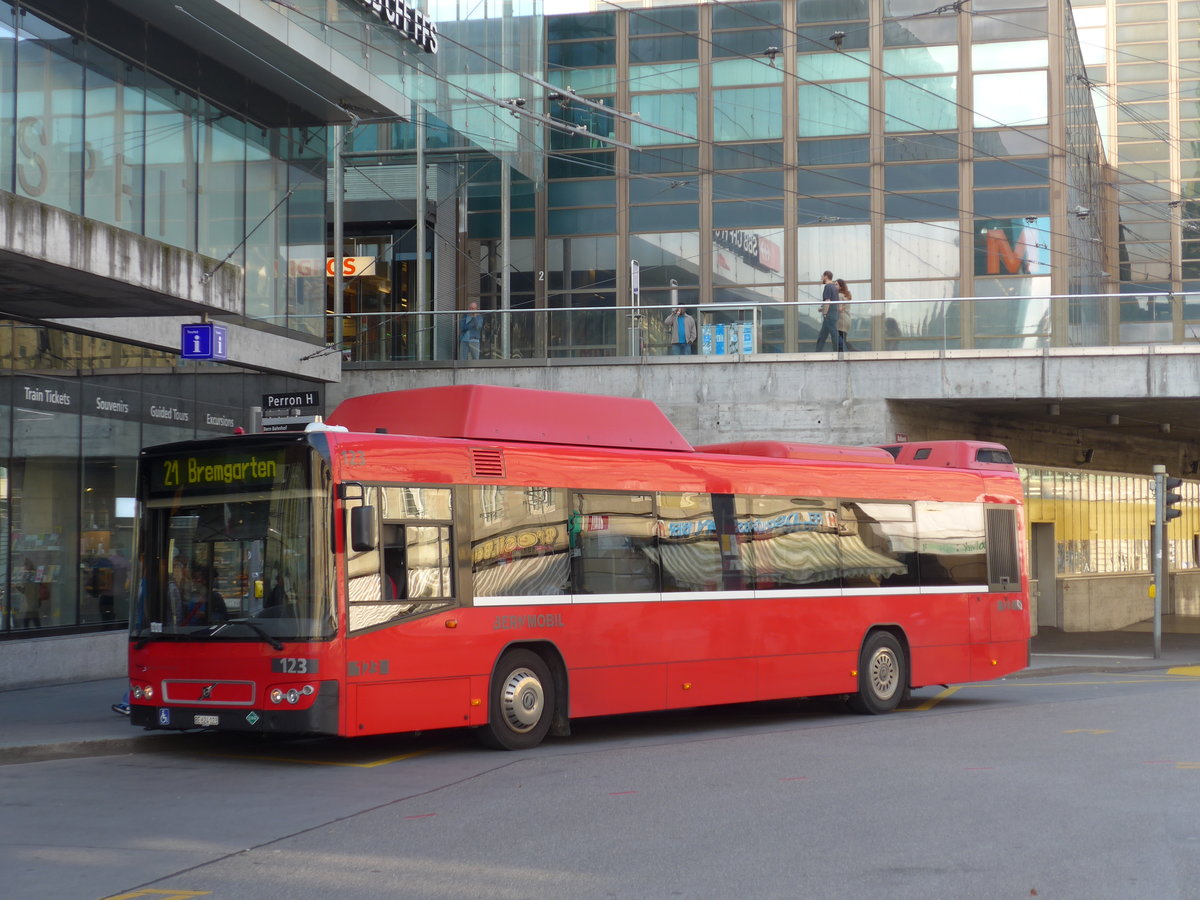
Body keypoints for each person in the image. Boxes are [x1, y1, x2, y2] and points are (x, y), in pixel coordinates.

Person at [815, 270, 841, 351]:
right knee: (823, 335)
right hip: (834, 314)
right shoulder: (834, 287)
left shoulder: (828, 286)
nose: (821, 278)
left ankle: (837, 351)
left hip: (829, 315)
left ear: (826, 276)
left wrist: (825, 313)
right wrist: (823, 309)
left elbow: (828, 301)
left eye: (822, 276)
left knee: (833, 333)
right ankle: (818, 351)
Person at [836, 278, 853, 352]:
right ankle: (852, 351)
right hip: (847, 319)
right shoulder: (846, 295)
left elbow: (839, 308)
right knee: (843, 339)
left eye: (836, 284)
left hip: (841, 319)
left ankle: (850, 352)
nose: (834, 286)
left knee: (840, 340)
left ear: (840, 286)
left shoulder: (839, 295)